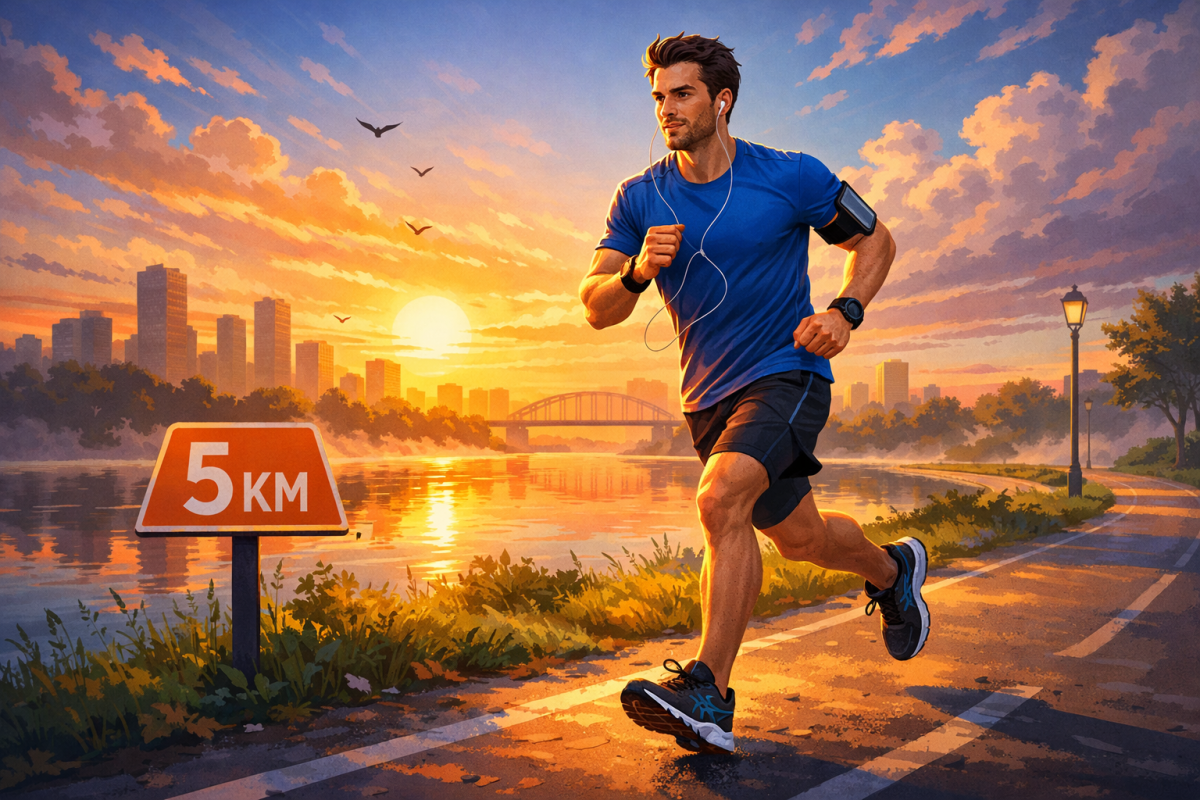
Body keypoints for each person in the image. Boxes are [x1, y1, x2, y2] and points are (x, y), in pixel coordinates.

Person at [577, 33, 929, 755]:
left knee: (718, 500)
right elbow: (593, 305)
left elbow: (876, 242)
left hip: (787, 373)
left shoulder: (789, 176)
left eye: (682, 94)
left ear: (721, 100)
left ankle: (710, 693)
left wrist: (845, 312)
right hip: (706, 399)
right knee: (801, 541)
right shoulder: (639, 197)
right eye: (659, 97)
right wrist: (637, 271)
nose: (666, 110)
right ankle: (892, 571)